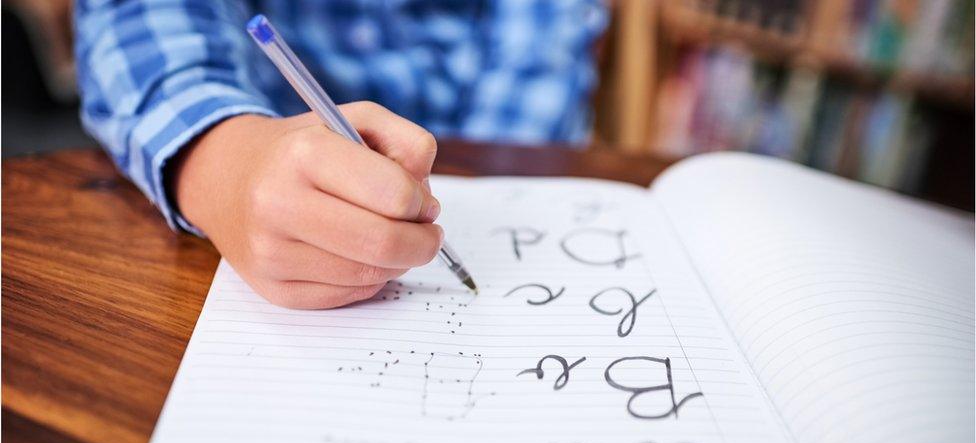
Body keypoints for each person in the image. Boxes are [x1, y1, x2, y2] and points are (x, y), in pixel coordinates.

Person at [73, 0, 607, 308]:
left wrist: (466, 179)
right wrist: (223, 160)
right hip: (264, 161)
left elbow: (538, 55)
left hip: (489, 169)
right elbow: (141, 25)